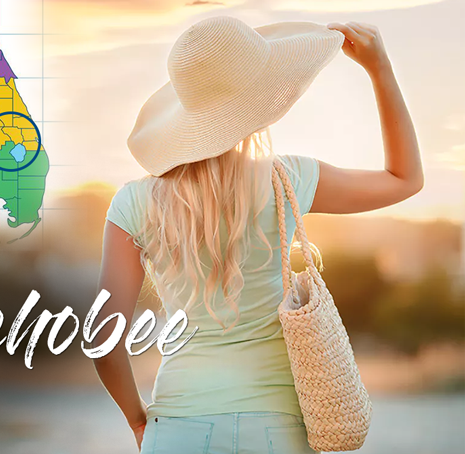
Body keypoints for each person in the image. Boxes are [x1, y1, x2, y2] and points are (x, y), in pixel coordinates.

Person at [93, 16, 423, 454]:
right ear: (258, 102)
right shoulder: (288, 179)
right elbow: (404, 179)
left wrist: (138, 419)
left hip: (178, 426)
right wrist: (379, 69)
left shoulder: (134, 204)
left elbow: (103, 337)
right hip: (278, 427)